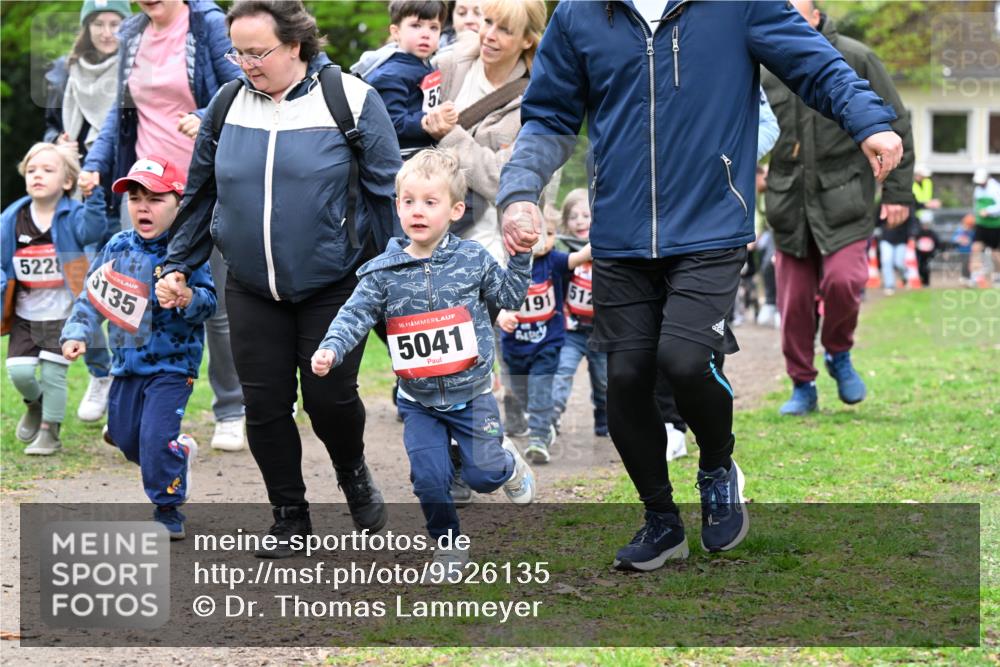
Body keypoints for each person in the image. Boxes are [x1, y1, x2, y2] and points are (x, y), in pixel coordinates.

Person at [496, 0, 905, 572]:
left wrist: (869, 121)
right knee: (627, 378)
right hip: (620, 231)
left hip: (711, 223)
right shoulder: (579, 14)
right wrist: (519, 191)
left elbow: (817, 65)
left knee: (685, 360)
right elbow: (548, 117)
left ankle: (717, 466)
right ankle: (661, 520)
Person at [155, 0, 401, 558]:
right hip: (250, 286)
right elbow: (200, 194)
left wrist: (400, 275)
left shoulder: (351, 100)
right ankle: (290, 516)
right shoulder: (226, 105)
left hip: (334, 283)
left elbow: (387, 196)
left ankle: (351, 469)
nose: (246, 64)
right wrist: (177, 264)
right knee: (263, 406)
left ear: (295, 45)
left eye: (257, 52)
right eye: (237, 53)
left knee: (329, 399)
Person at [311, 149, 534, 572]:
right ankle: (448, 545)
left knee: (484, 476)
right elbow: (354, 314)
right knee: (429, 481)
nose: (418, 210)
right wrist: (331, 348)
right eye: (409, 201)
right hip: (419, 402)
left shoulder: (473, 259)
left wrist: (521, 257)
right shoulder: (382, 272)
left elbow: (509, 295)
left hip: (472, 395)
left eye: (430, 202)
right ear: (396, 207)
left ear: (455, 210)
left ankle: (506, 463)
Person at [77, 0, 247, 451]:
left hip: (202, 188)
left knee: (212, 303)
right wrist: (95, 163)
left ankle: (231, 409)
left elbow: (242, 86)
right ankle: (132, 404)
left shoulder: (208, 24)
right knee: (131, 299)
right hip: (143, 187)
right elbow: (120, 111)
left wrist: (205, 115)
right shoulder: (132, 32)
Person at [764, 0, 914, 417]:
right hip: (788, 202)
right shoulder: (763, 65)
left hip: (845, 198)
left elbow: (896, 124)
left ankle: (838, 352)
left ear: (816, 15)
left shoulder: (856, 57)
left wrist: (898, 193)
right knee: (794, 303)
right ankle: (802, 384)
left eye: (796, 15)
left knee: (844, 282)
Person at [61, 156, 216, 540]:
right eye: (135, 198)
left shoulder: (187, 251)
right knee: (128, 440)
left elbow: (209, 303)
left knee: (153, 440)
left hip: (173, 367)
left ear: (179, 204)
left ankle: (168, 508)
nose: (143, 207)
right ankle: (180, 452)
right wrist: (76, 332)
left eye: (155, 198)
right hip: (126, 365)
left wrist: (186, 297)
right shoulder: (117, 245)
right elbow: (92, 297)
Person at [43, 0, 132, 424]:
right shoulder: (65, 72)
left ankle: (129, 380)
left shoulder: (138, 69)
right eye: (98, 23)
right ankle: (101, 374)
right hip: (80, 202)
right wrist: (57, 144)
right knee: (84, 288)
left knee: (127, 292)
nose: (107, 31)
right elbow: (53, 125)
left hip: (126, 195)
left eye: (116, 22)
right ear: (87, 27)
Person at [1, 143, 108, 455]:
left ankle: (50, 431)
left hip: (64, 313)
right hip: (25, 314)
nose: (38, 175)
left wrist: (93, 197)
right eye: (32, 170)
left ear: (67, 181)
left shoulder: (73, 214)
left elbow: (93, 231)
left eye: (48, 170)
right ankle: (36, 405)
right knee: (20, 372)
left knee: (52, 373)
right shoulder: (12, 218)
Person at [422, 0, 547, 264]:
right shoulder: (446, 66)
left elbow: (505, 178)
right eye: (488, 22)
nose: (489, 35)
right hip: (427, 238)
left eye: (505, 30)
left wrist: (450, 135)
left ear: (527, 40)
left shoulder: (539, 101)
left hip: (493, 252)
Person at [497, 214, 591, 463]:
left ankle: (538, 438)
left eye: (548, 234)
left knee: (540, 388)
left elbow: (580, 257)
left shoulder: (554, 260)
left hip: (546, 342)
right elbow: (490, 298)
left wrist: (601, 236)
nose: (541, 241)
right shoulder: (505, 264)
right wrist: (502, 316)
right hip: (514, 346)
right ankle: (543, 422)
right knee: (523, 394)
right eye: (531, 234)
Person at [352, 1, 455, 160]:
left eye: (433, 27)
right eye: (416, 26)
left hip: (423, 153)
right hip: (399, 159)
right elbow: (392, 124)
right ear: (396, 32)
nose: (426, 34)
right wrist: (428, 120)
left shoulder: (423, 64)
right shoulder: (391, 74)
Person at [551, 189, 609, 439]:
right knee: (562, 372)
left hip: (601, 330)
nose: (580, 221)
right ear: (565, 221)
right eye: (573, 217)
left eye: (586, 216)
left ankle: (604, 417)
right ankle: (552, 417)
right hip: (571, 329)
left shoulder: (608, 247)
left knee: (603, 380)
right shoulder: (562, 250)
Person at [971, 167, 1000, 288]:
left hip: (995, 225)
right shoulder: (978, 189)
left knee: (995, 253)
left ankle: (997, 277)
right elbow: (976, 205)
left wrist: (988, 211)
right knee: (976, 248)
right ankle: (975, 276)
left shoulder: (995, 188)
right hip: (981, 224)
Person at [914, 210, 939, 287]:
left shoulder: (932, 234)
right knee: (920, 267)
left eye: (927, 224)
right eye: (924, 224)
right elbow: (915, 243)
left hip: (929, 255)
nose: (926, 226)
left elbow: (937, 243)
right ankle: (920, 280)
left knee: (926, 268)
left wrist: (936, 251)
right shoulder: (918, 233)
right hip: (920, 254)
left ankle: (926, 282)